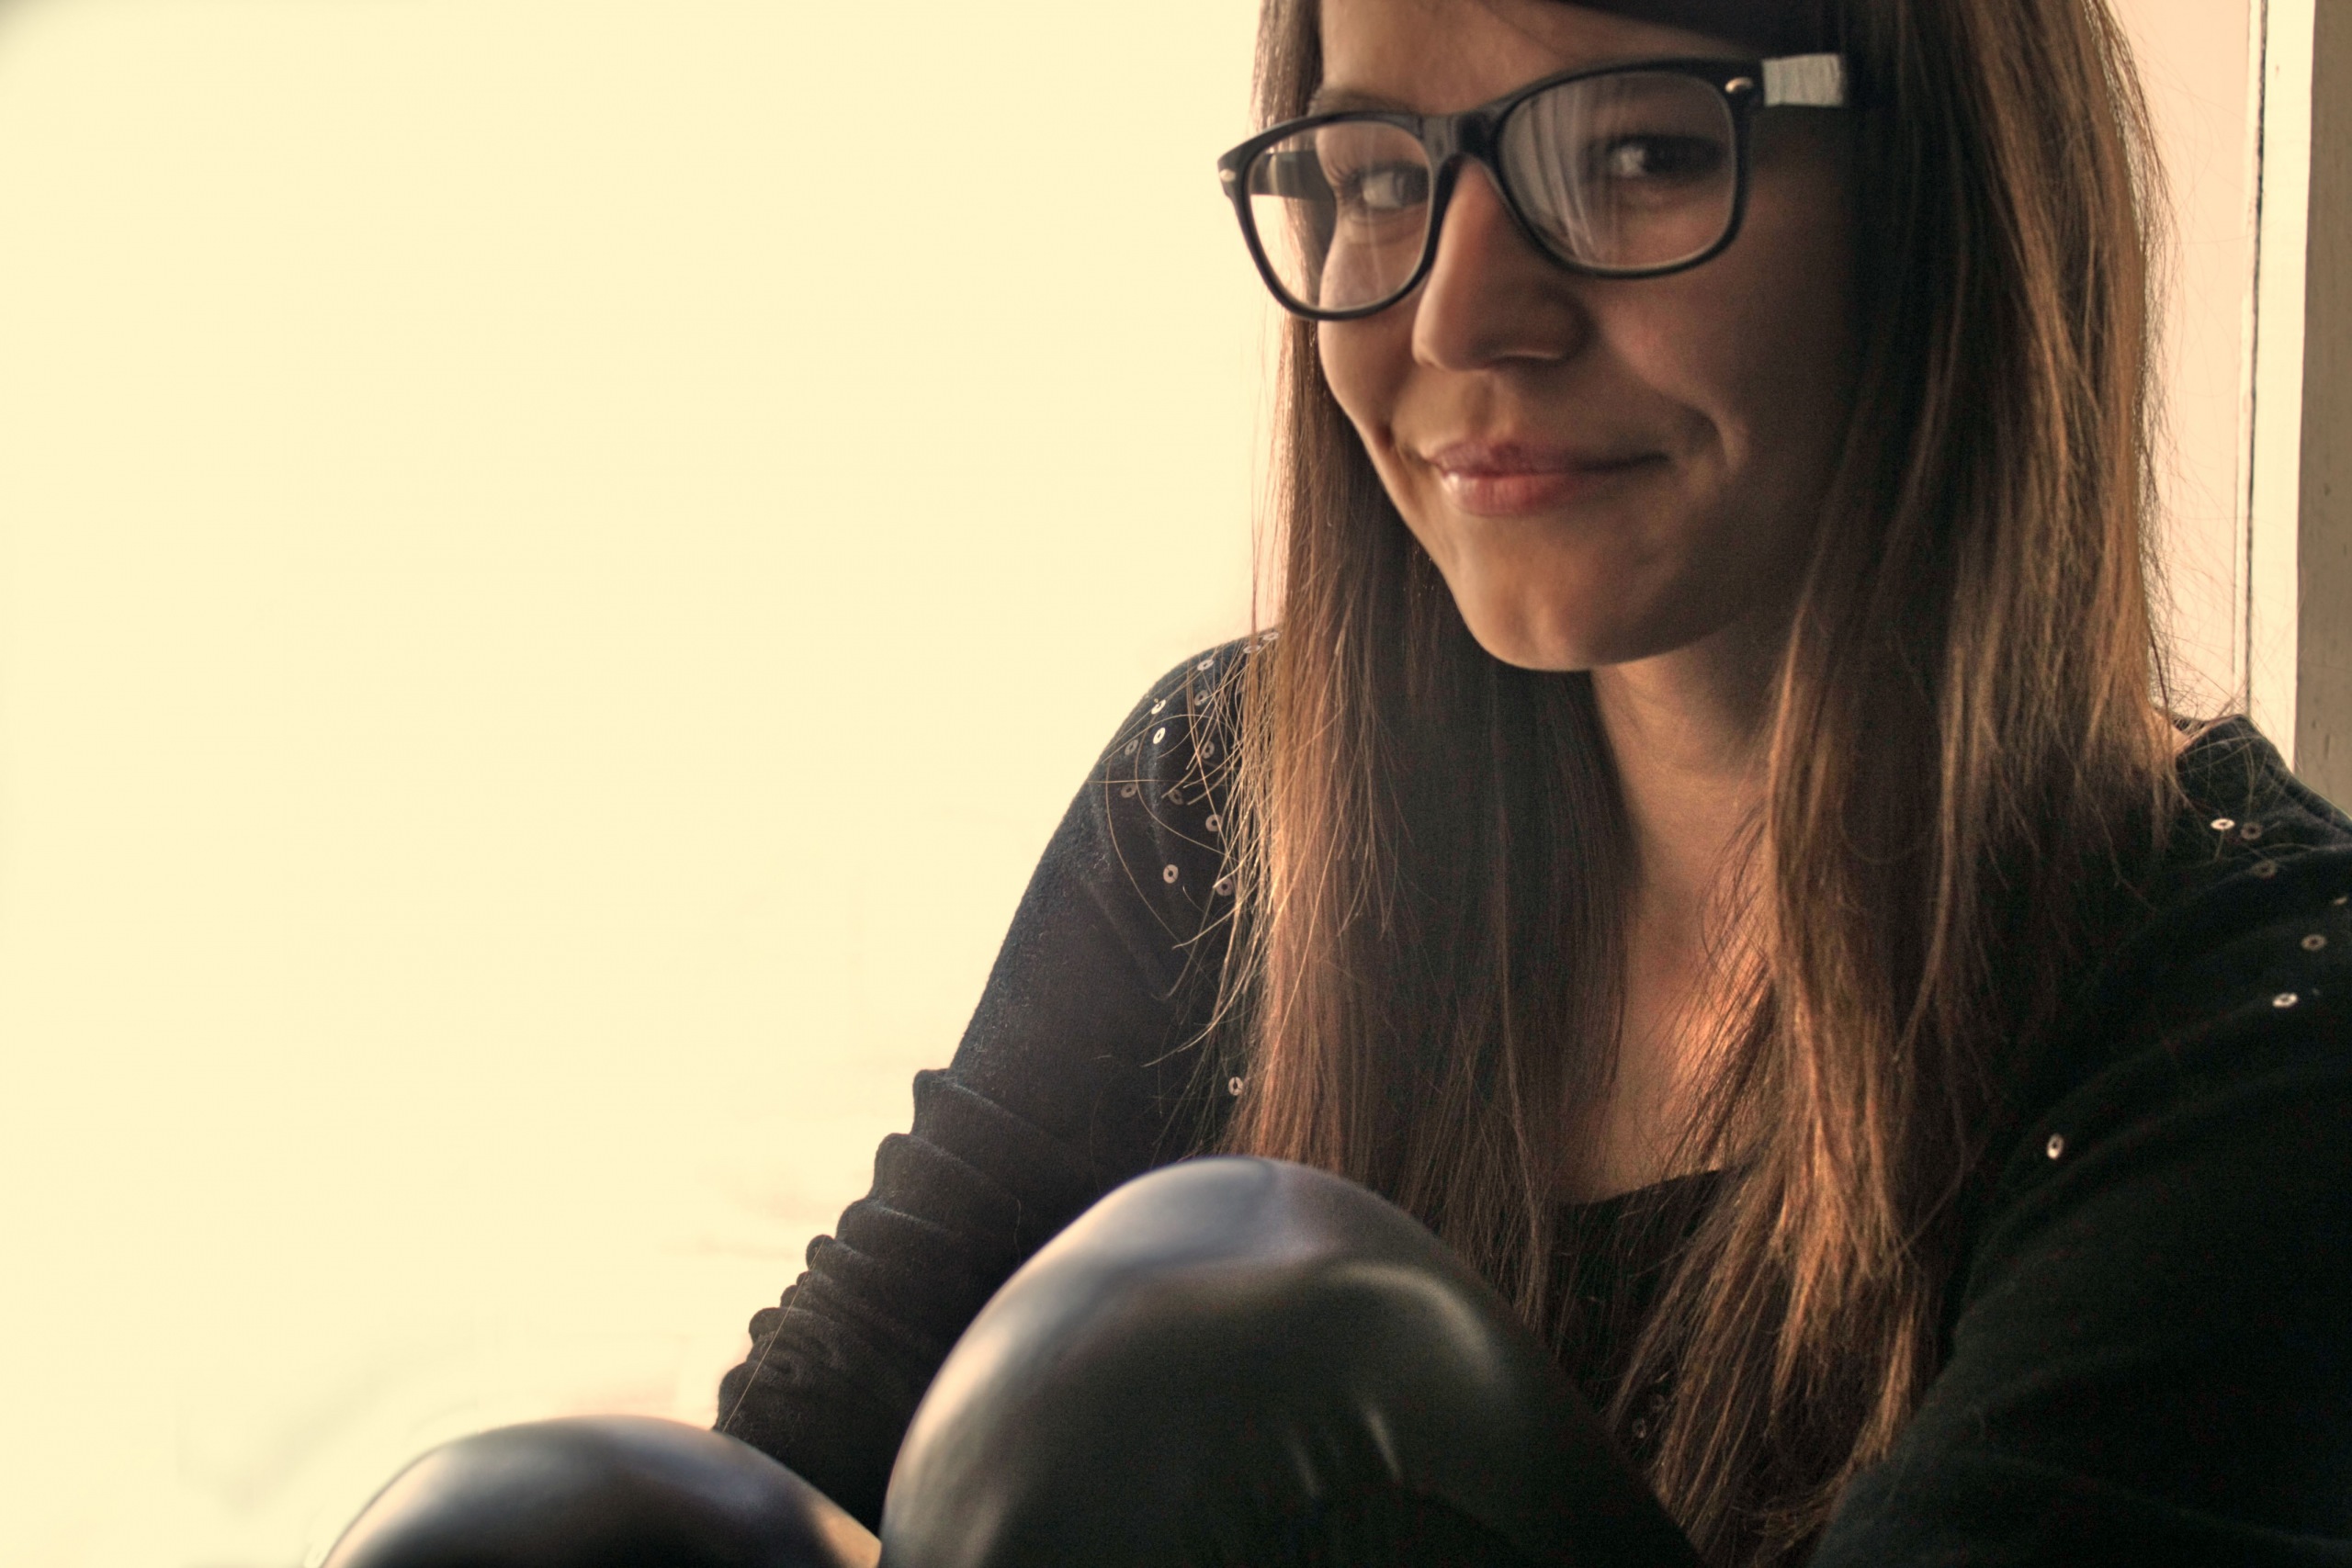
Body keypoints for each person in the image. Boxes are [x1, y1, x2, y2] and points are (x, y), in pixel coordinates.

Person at [323, 0, 2352, 1563]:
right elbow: (810, 1463)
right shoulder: (1237, 801)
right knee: (548, 1535)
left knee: (1223, 1386)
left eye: (1640, 153)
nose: (1458, 311)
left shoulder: (2255, 1023)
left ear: (1949, 199)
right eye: (1375, 178)